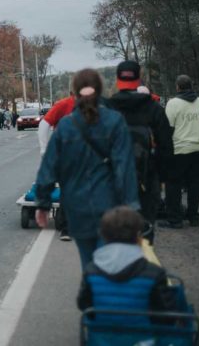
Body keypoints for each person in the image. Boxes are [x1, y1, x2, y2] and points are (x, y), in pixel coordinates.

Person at [34, 68, 139, 269]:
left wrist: (43, 204)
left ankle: (91, 292)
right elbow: (124, 167)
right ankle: (101, 294)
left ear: (74, 91)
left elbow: (49, 167)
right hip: (109, 205)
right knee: (108, 262)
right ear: (100, 90)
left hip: (76, 206)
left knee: (88, 262)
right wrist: (132, 207)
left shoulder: (65, 126)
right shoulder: (115, 121)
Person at [109, 61, 173, 244]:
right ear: (138, 80)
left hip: (114, 182)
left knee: (115, 234)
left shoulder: (108, 108)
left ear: (118, 80)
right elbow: (167, 148)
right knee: (144, 233)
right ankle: (142, 263)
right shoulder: (154, 109)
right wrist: (161, 180)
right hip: (146, 181)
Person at [77, 207, 175, 320]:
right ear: (139, 237)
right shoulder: (155, 273)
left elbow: (84, 304)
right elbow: (165, 312)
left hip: (102, 334)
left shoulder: (91, 271)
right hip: (144, 335)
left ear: (103, 235)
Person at [161, 75, 199, 228]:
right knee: (194, 185)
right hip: (198, 148)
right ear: (191, 86)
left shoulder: (173, 103)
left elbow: (168, 128)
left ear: (177, 87)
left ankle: (175, 219)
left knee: (173, 184)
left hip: (180, 149)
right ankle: (193, 217)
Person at [37, 93, 77, 241]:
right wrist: (44, 148)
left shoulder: (97, 105)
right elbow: (44, 124)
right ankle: (66, 228)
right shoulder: (64, 104)